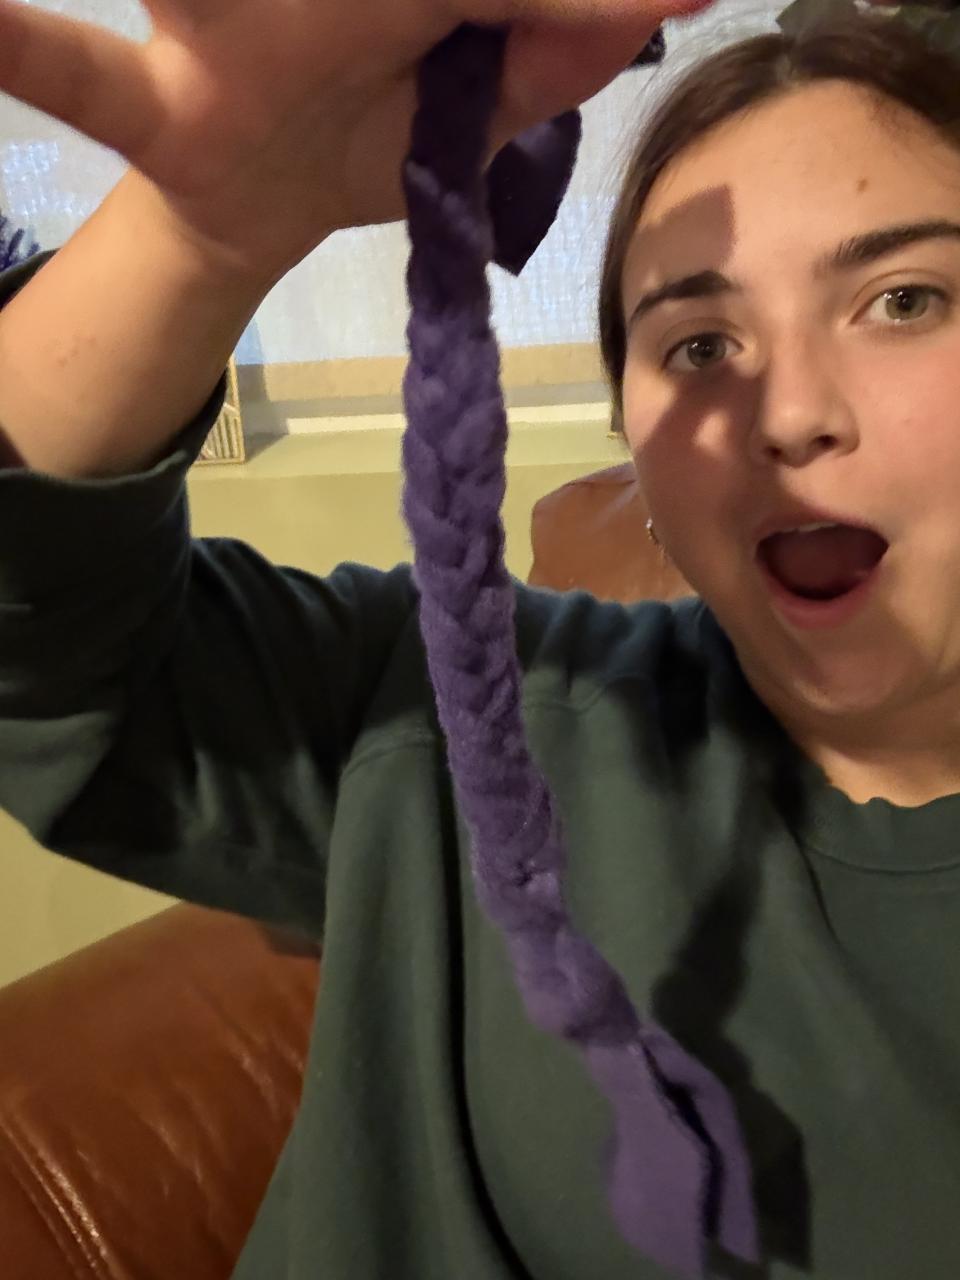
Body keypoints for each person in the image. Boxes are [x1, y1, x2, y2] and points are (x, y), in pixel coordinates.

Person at [0, 0, 958, 1275]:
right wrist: (205, 238)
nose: (790, 415)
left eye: (903, 299)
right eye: (699, 343)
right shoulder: (464, 715)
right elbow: (45, 647)